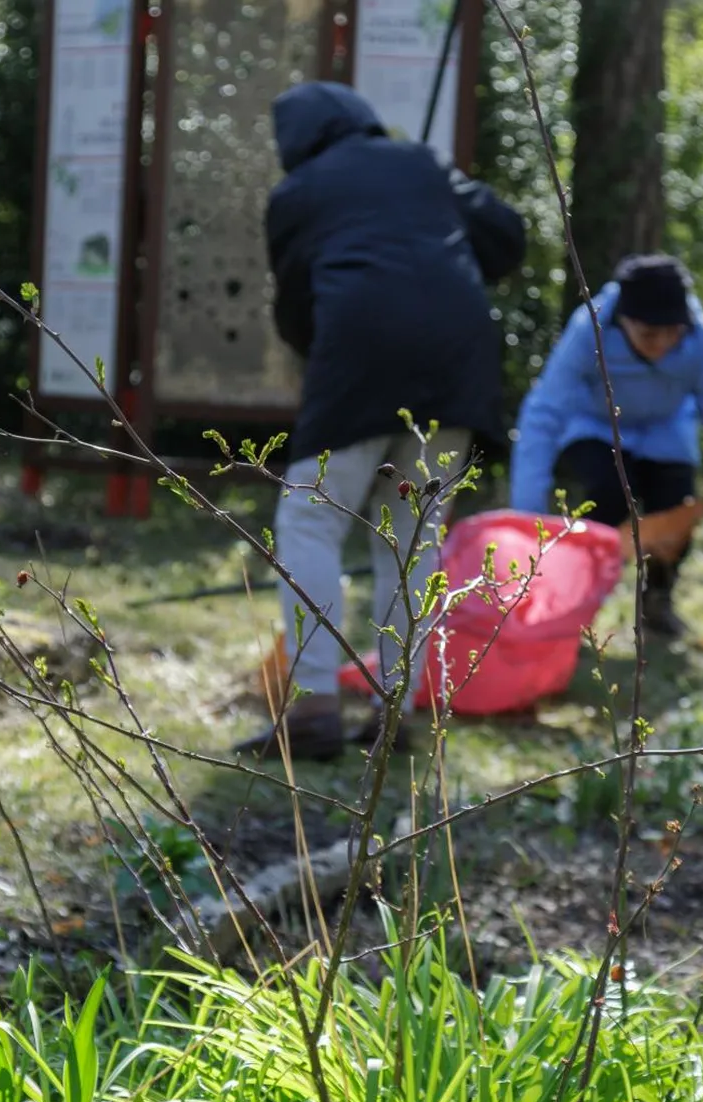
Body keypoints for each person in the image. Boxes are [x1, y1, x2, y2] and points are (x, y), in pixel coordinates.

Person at [236, 81, 527, 761]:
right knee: (410, 541)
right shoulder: (422, 164)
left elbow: (297, 307)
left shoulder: (296, 195)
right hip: (459, 358)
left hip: (360, 354)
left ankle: (311, 711)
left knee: (312, 519)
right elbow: (505, 241)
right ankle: (394, 709)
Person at [510, 254, 703, 638]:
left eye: (673, 333)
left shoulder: (699, 337)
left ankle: (658, 600)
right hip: (596, 426)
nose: (664, 344)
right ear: (625, 321)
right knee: (606, 495)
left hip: (666, 429)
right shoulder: (591, 327)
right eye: (651, 335)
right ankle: (575, 600)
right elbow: (545, 412)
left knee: (677, 505)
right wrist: (526, 510)